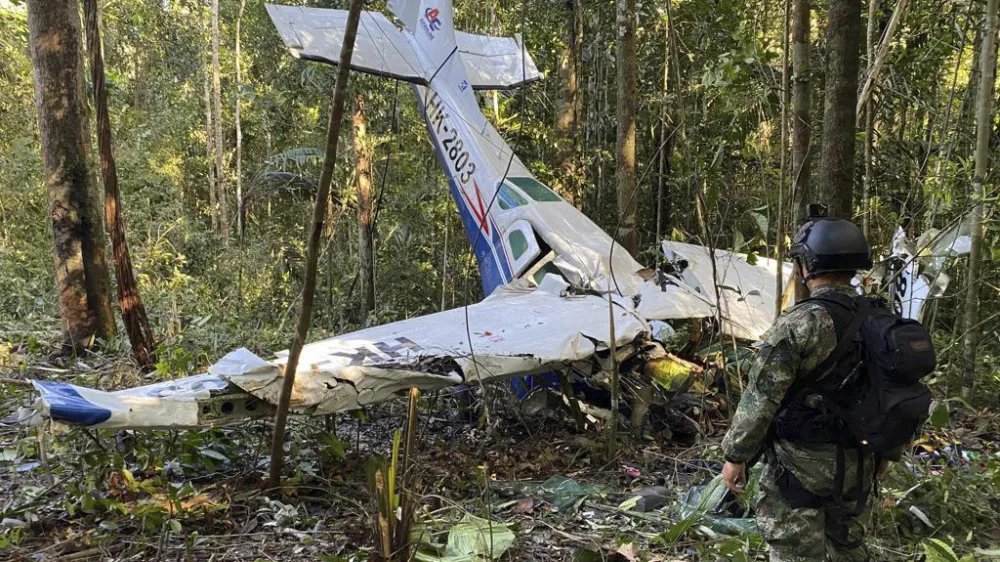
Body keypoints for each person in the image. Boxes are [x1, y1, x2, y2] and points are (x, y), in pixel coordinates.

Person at [719, 210, 893, 562]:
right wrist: (888, 453)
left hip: (798, 470)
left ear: (807, 265)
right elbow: (899, 391)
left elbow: (761, 398)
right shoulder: (882, 320)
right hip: (860, 465)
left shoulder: (802, 322)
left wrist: (735, 456)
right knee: (848, 549)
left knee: (795, 552)